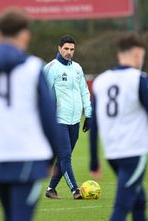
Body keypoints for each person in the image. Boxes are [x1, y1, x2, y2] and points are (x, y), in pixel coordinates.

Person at [0, 8, 59, 221]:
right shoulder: (34, 68)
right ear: (25, 35)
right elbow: (48, 118)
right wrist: (51, 158)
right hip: (28, 158)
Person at [89, 33, 148, 221]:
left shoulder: (100, 81)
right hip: (134, 153)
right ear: (137, 54)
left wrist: (94, 160)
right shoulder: (140, 79)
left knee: (139, 201)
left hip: (112, 153)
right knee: (122, 207)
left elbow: (93, 122)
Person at [43, 35, 92, 199]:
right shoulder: (51, 68)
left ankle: (51, 189)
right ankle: (75, 190)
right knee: (65, 157)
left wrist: (89, 114)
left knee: (64, 157)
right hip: (58, 121)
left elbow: (84, 91)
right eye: (66, 49)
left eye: (72, 49)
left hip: (75, 121)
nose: (69, 52)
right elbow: (43, 96)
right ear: (59, 48)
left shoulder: (77, 68)